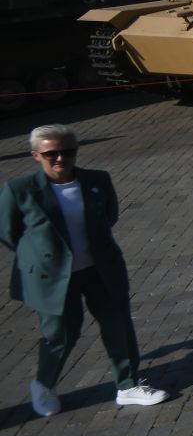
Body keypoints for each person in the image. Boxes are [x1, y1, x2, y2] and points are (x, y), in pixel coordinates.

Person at [2, 125, 169, 414]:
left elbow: (108, 216)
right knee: (60, 335)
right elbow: (8, 232)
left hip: (99, 269)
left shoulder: (97, 180)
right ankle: (44, 384)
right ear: (35, 155)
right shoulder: (19, 190)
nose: (60, 158)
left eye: (67, 151)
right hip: (53, 277)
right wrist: (42, 255)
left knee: (118, 326)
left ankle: (128, 385)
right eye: (50, 153)